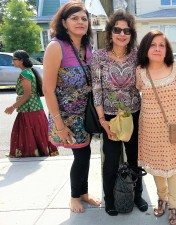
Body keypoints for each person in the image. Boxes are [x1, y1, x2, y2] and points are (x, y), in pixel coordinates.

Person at [42, 1, 101, 213]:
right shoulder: (56, 46)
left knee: (84, 153)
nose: (80, 22)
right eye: (74, 18)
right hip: (66, 116)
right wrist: (59, 124)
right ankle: (75, 196)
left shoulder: (88, 47)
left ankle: (82, 192)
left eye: (84, 18)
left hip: (86, 114)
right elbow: (48, 89)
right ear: (64, 23)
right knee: (81, 155)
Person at [90, 10, 148, 216]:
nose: (122, 34)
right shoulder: (99, 56)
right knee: (112, 160)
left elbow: (147, 80)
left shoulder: (137, 55)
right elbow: (96, 89)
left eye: (127, 30)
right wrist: (102, 120)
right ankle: (110, 198)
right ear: (110, 31)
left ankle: (137, 193)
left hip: (134, 114)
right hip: (110, 118)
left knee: (134, 158)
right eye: (117, 29)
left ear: (131, 34)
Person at [136, 30, 176, 225]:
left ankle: (174, 206)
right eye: (153, 45)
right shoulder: (140, 71)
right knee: (157, 168)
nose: (157, 49)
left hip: (175, 126)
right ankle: (162, 198)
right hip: (150, 128)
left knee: (175, 169)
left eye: (162, 45)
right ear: (146, 48)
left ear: (167, 49)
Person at [4, 50, 58, 158]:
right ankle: (39, 151)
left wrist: (13, 107)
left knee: (26, 131)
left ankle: (29, 153)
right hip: (34, 107)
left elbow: (27, 94)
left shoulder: (25, 73)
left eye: (14, 59)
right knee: (32, 131)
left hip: (29, 108)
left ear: (21, 61)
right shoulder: (29, 71)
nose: (12, 62)